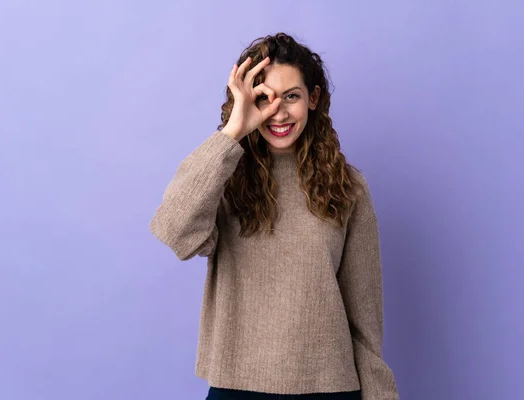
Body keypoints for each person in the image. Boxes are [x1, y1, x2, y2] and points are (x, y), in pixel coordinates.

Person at [149, 33, 399, 400]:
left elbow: (365, 321)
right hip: (237, 386)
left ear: (313, 99)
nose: (278, 112)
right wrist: (233, 131)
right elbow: (174, 230)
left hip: (329, 389)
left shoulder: (349, 188)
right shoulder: (224, 175)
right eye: (263, 98)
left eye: (292, 96)